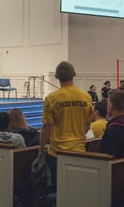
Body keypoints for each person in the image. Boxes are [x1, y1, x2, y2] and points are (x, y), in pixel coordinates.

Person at [39, 61, 93, 190]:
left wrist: (41, 149)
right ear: (74, 74)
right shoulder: (86, 97)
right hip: (79, 151)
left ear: (56, 76)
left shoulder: (51, 98)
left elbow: (47, 127)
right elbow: (87, 124)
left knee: (59, 190)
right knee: (76, 190)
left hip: (57, 153)